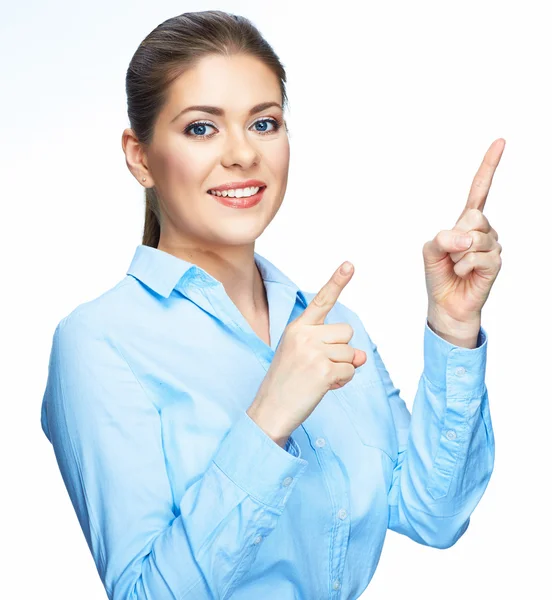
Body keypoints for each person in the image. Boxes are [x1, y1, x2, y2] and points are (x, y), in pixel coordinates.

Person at [40, 10, 504, 600]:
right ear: (139, 156)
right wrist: (268, 422)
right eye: (201, 129)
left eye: (264, 123)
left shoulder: (329, 324)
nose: (242, 155)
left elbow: (433, 515)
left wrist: (454, 329)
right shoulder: (98, 342)